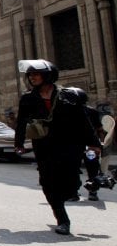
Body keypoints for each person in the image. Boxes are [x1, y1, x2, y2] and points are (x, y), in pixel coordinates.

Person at [14, 60, 101, 235]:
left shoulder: (68, 96)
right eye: (30, 75)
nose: (32, 78)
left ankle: (71, 190)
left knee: (72, 181)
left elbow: (83, 121)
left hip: (70, 144)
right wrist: (19, 143)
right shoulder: (28, 98)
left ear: (48, 76)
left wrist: (94, 143)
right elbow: (21, 122)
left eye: (36, 74)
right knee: (48, 182)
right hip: (44, 145)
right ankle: (62, 220)